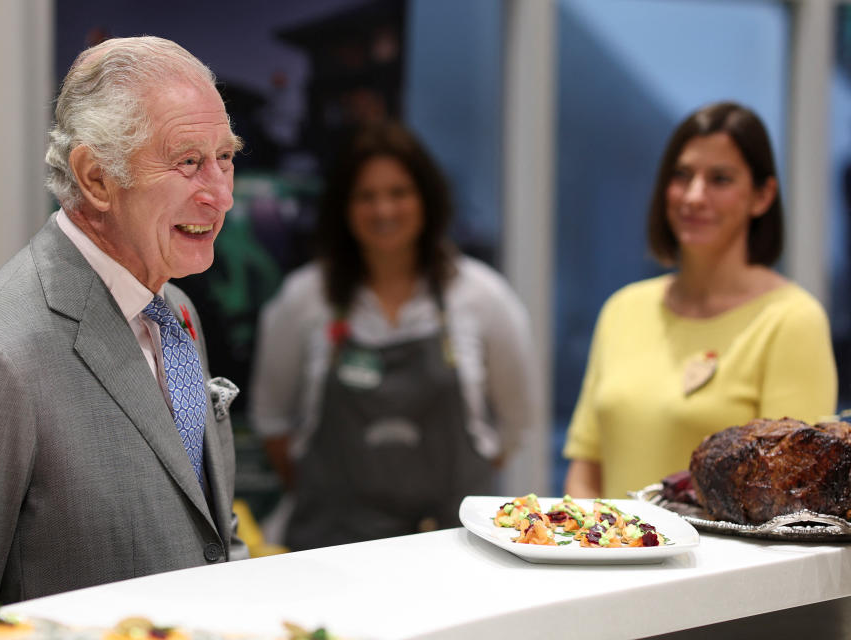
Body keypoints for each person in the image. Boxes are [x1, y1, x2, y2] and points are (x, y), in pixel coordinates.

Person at [0, 36, 247, 630]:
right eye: (188, 161)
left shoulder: (173, 307)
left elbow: (211, 537)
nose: (221, 193)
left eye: (225, 157)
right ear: (96, 178)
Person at [249, 122, 536, 550]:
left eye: (399, 193)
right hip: (330, 555)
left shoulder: (482, 297)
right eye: (366, 196)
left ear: (427, 198)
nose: (384, 210)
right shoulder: (305, 298)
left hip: (452, 552)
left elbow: (516, 426)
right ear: (344, 208)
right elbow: (272, 423)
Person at [563, 101, 838, 499]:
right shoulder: (623, 310)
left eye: (720, 179)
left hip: (727, 563)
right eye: (682, 175)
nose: (693, 196)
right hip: (610, 553)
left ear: (762, 196)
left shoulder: (792, 320)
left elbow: (791, 499)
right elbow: (586, 469)